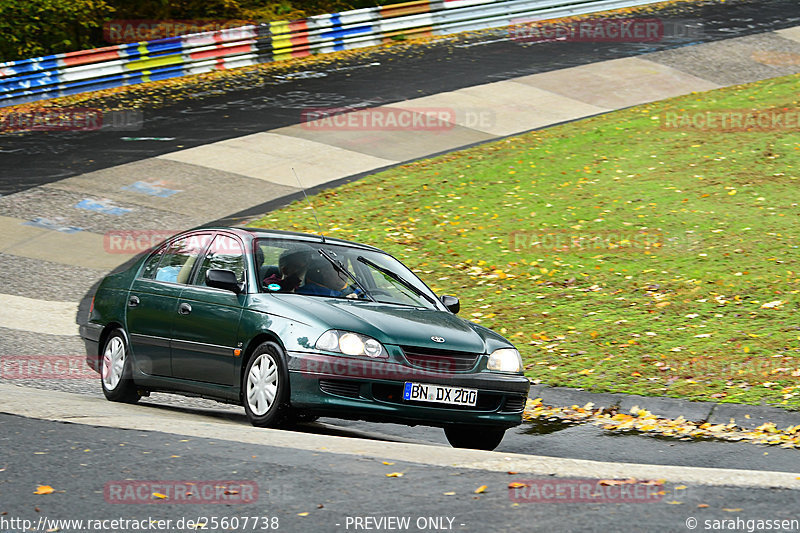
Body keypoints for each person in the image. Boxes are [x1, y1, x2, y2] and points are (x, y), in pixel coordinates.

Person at [296, 258, 361, 298]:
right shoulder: (308, 293)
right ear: (325, 272)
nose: (344, 273)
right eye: (339, 270)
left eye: (345, 269)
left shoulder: (358, 291)